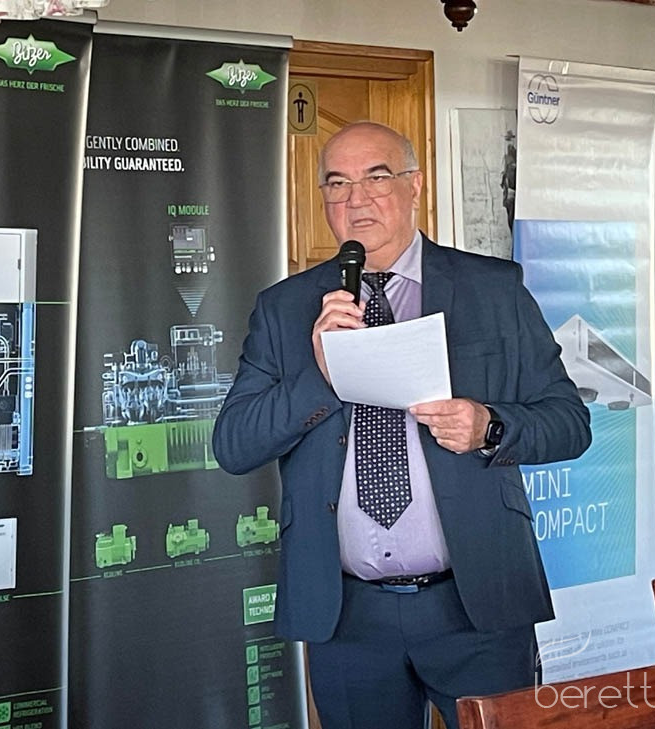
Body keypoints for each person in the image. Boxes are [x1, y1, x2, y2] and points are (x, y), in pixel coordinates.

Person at [212, 121, 591, 729]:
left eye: (376, 177)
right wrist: (320, 374)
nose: (356, 199)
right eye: (337, 183)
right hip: (347, 616)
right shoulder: (284, 309)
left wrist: (489, 427)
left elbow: (570, 422)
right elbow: (234, 445)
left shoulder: (493, 289)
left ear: (415, 185)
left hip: (476, 604)